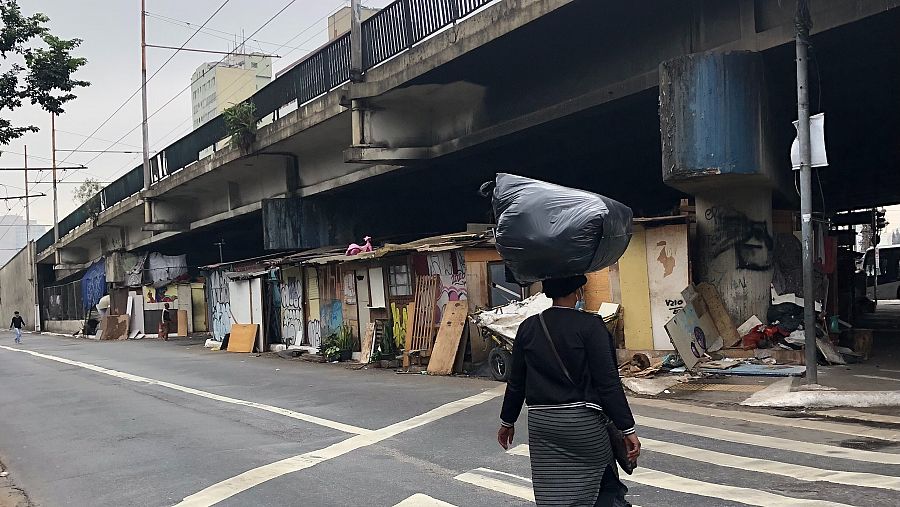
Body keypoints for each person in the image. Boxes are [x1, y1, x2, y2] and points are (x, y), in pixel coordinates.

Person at [497, 275, 640, 507]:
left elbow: (516, 382)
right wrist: (627, 428)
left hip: (542, 426)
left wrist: (507, 422)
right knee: (604, 486)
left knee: (557, 493)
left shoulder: (528, 327)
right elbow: (608, 384)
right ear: (578, 291)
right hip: (582, 424)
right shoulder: (591, 325)